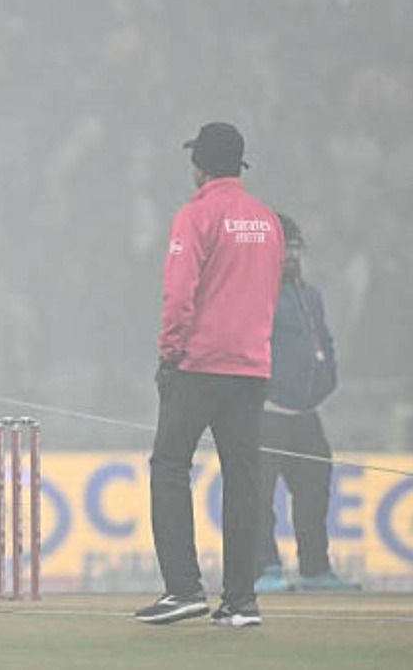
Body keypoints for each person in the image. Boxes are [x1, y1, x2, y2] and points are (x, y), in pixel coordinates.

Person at [134, 123, 284, 628]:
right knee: (243, 480)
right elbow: (268, 291)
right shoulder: (267, 220)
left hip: (199, 365)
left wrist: (169, 353)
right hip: (252, 366)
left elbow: (179, 293)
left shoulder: (196, 214)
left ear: (199, 164)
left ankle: (183, 589)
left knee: (170, 467)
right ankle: (242, 600)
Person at [254, 215, 359, 593]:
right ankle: (264, 569)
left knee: (314, 493)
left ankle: (315, 568)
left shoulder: (311, 295)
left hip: (306, 415)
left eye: (296, 249)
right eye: (285, 250)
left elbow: (325, 342)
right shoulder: (255, 295)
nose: (292, 257)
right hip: (266, 416)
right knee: (258, 497)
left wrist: (327, 379)